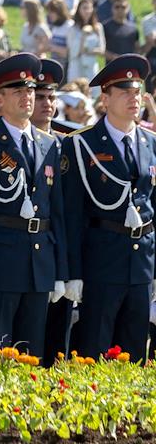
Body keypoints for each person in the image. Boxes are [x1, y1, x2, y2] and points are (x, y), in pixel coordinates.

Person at [0, 53, 65, 362]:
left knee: (32, 356)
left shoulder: (49, 144)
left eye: (30, 90)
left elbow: (55, 212)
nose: (27, 97)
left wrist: (60, 270)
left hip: (39, 262)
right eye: (18, 91)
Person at [61, 55, 156, 361]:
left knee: (135, 350)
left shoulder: (150, 143)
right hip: (101, 261)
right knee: (95, 350)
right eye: (125, 92)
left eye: (137, 91)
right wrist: (73, 272)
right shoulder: (81, 144)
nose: (135, 98)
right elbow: (72, 216)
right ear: (105, 98)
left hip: (142, 262)